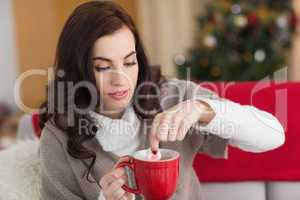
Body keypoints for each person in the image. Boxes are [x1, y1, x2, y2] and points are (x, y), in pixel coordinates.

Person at [38, 1, 285, 200]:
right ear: (78, 71)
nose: (120, 79)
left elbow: (273, 135)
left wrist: (204, 110)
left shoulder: (172, 97)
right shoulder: (58, 137)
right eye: (103, 67)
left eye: (129, 62)